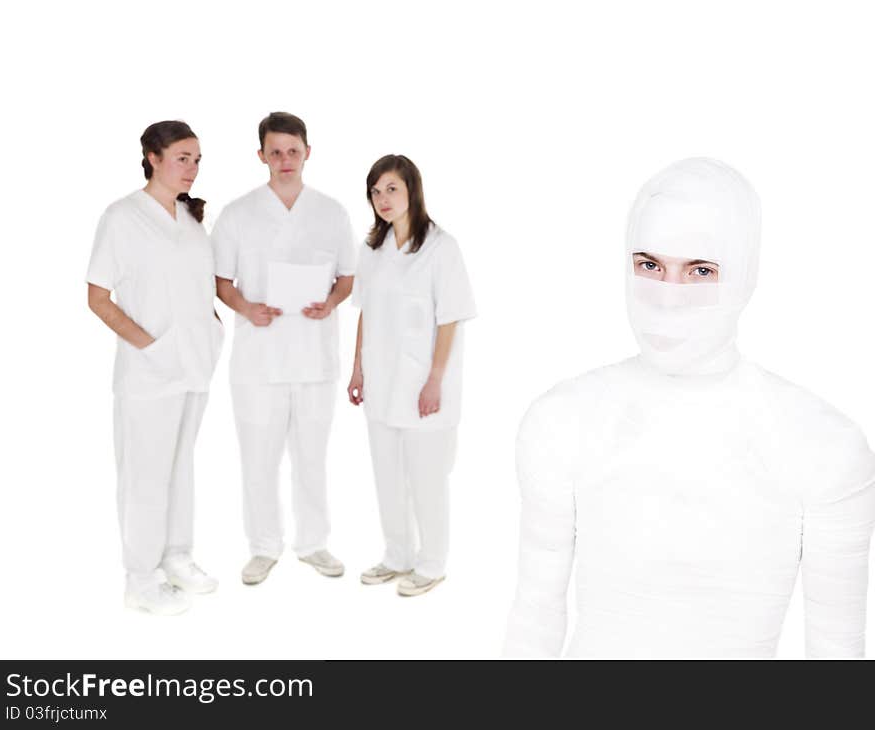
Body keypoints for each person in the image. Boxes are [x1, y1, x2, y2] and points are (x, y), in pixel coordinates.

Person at [503, 157, 875, 658]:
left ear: (743, 274)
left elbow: (836, 649)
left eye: (700, 271)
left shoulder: (822, 444)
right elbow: (534, 620)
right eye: (649, 265)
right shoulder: (562, 422)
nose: (668, 299)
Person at [212, 112, 356, 586]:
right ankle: (263, 547)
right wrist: (246, 307)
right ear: (261, 156)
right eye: (274, 151)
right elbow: (221, 281)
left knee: (312, 456)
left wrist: (331, 302)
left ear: (308, 153)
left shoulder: (331, 212)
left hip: (315, 359)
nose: (284, 159)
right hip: (258, 361)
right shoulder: (237, 214)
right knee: (258, 457)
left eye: (293, 150)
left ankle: (313, 544)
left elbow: (347, 276)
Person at [87, 120, 223, 616]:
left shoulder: (189, 219)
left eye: (197, 160)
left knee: (180, 467)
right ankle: (140, 578)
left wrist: (211, 329)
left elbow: (197, 288)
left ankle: (176, 557)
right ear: (152, 156)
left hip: (194, 368)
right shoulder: (122, 217)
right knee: (145, 475)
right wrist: (151, 346)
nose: (191, 168)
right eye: (182, 157)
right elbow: (98, 297)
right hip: (149, 373)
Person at [348, 155, 476, 597]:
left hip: (423, 385)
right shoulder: (371, 250)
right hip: (381, 383)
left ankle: (431, 563)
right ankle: (397, 555)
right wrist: (357, 368)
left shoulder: (442, 248)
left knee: (426, 478)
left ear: (412, 191)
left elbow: (450, 318)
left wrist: (435, 379)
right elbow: (365, 310)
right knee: (386, 475)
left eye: (391, 189)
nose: (383, 199)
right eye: (376, 191)